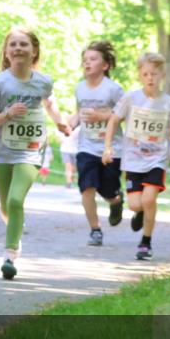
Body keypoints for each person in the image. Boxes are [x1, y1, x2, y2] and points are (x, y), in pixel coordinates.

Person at [0, 27, 71, 280]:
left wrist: (61, 122)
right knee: (5, 206)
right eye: (13, 45)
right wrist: (8, 114)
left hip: (31, 150)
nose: (18, 48)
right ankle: (15, 230)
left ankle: (10, 255)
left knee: (15, 200)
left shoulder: (43, 81)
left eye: (24, 44)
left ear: (34, 51)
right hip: (3, 151)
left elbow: (50, 103)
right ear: (7, 52)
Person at [103, 52, 170, 260]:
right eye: (146, 74)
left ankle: (145, 243)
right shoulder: (131, 98)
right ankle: (139, 213)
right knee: (136, 204)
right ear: (140, 75)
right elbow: (113, 120)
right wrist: (108, 147)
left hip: (156, 160)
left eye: (154, 74)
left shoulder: (169, 103)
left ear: (162, 75)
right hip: (133, 160)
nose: (150, 78)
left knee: (149, 199)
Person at [72, 41, 125, 247]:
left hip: (111, 148)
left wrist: (100, 115)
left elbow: (125, 114)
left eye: (93, 59)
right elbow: (79, 111)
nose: (87, 63)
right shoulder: (79, 88)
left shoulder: (113, 89)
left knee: (107, 190)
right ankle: (95, 230)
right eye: (85, 60)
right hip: (86, 146)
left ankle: (116, 201)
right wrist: (72, 121)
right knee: (87, 187)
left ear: (105, 65)